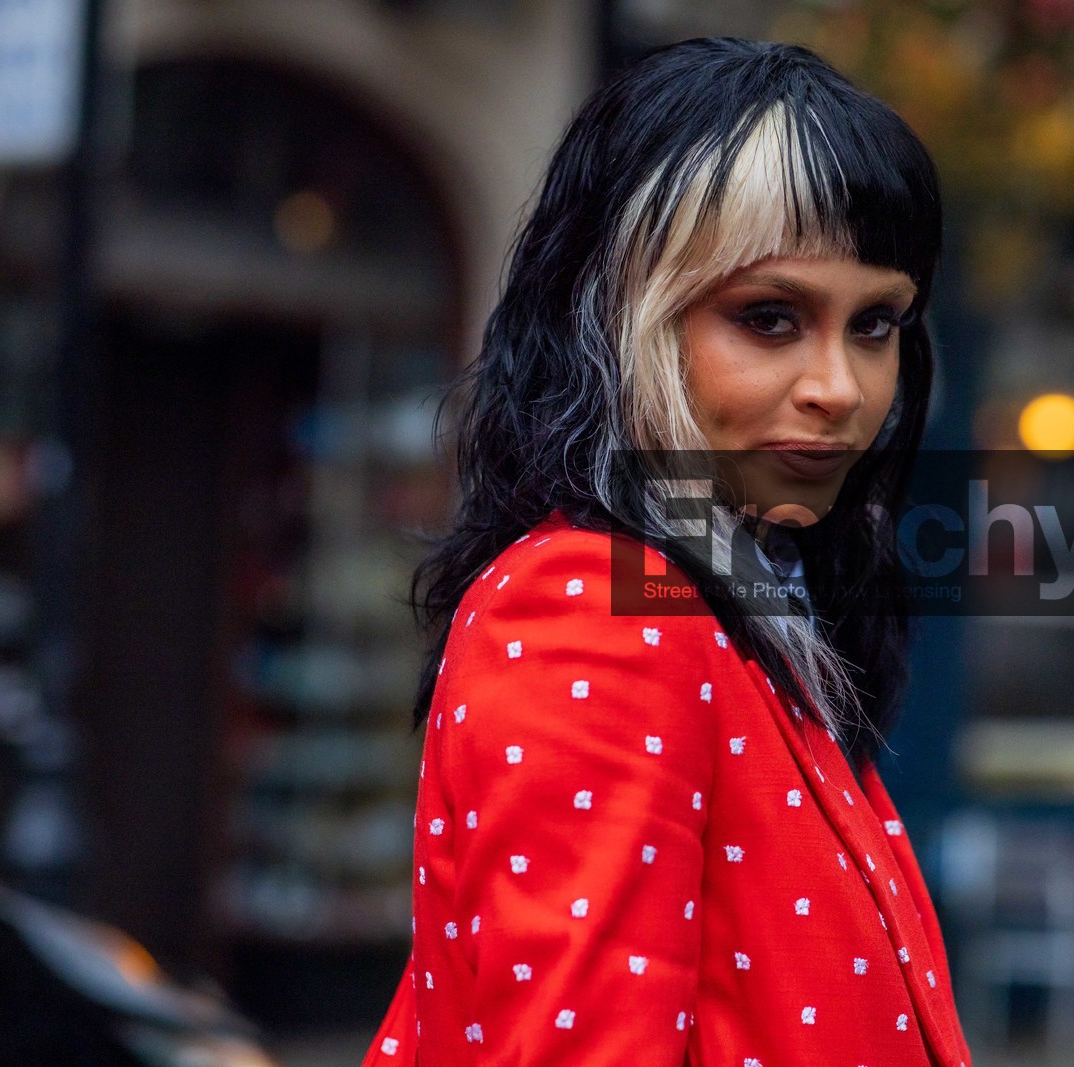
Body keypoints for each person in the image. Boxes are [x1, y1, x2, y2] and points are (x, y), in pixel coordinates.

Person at [360, 36, 969, 1066]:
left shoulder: (722, 595)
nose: (841, 386)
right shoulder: (589, 601)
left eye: (875, 325)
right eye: (768, 317)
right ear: (621, 319)